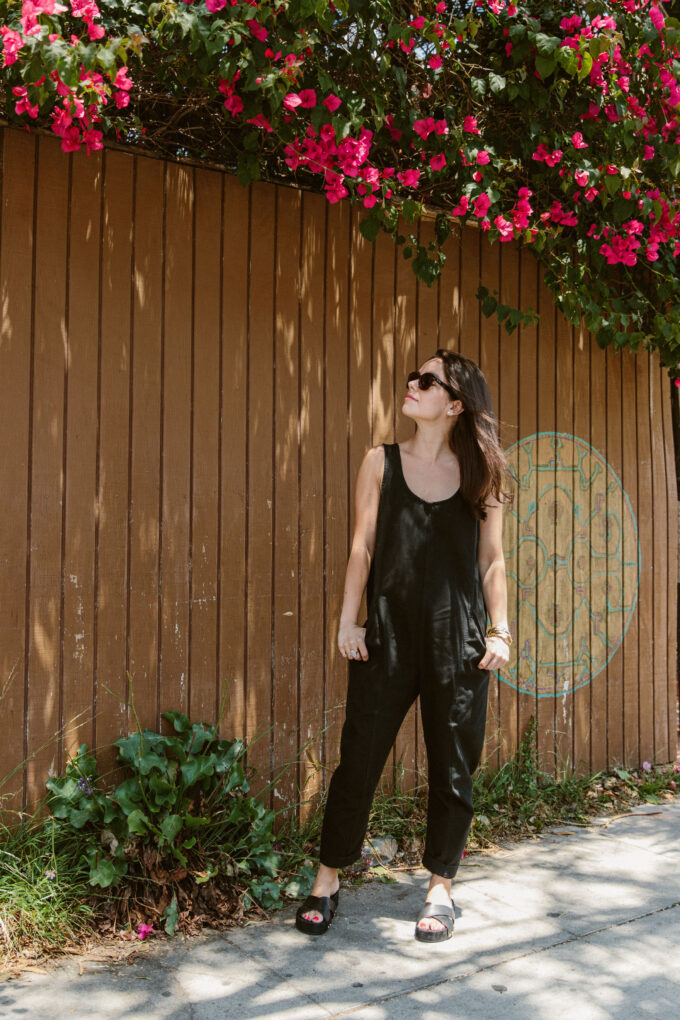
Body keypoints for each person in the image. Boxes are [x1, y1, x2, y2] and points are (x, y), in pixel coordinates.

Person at [295, 348, 513, 942]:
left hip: (458, 642)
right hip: (386, 637)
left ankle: (440, 886)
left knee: (454, 769)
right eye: (414, 376)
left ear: (456, 404)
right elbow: (362, 547)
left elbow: (492, 560)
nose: (412, 384)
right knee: (358, 761)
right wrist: (349, 623)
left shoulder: (483, 475)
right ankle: (327, 878)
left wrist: (500, 629)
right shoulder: (380, 462)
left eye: (427, 380)